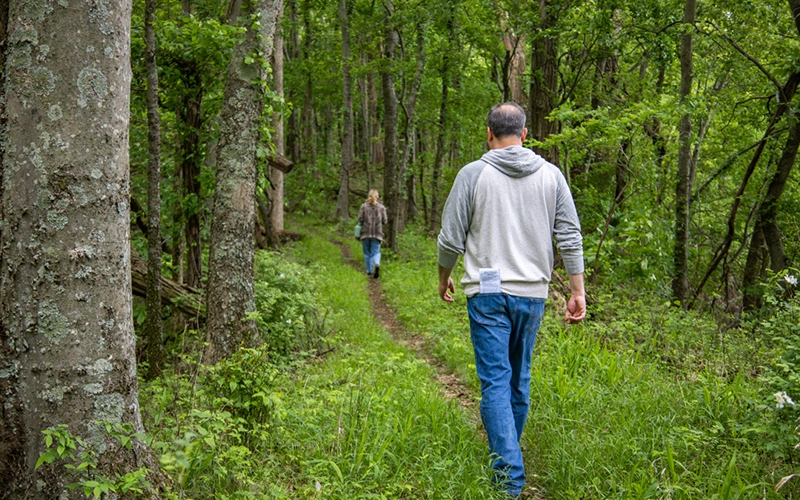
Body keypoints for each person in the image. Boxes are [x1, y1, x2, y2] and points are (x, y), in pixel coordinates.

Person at [436, 102, 586, 497]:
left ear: (489, 133)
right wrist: (577, 290)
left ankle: (508, 476)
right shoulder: (552, 176)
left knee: (496, 382)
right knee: (517, 380)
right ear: (524, 135)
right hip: (533, 294)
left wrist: (443, 276)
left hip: (486, 293)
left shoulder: (473, 174)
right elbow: (570, 236)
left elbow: (450, 238)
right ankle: (508, 461)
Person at [358, 189, 388, 278]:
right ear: (377, 197)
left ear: (369, 196)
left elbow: (360, 219)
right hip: (377, 234)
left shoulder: (363, 206)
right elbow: (385, 221)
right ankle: (377, 263)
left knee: (367, 253)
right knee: (376, 252)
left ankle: (369, 271)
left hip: (365, 233)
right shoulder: (382, 207)